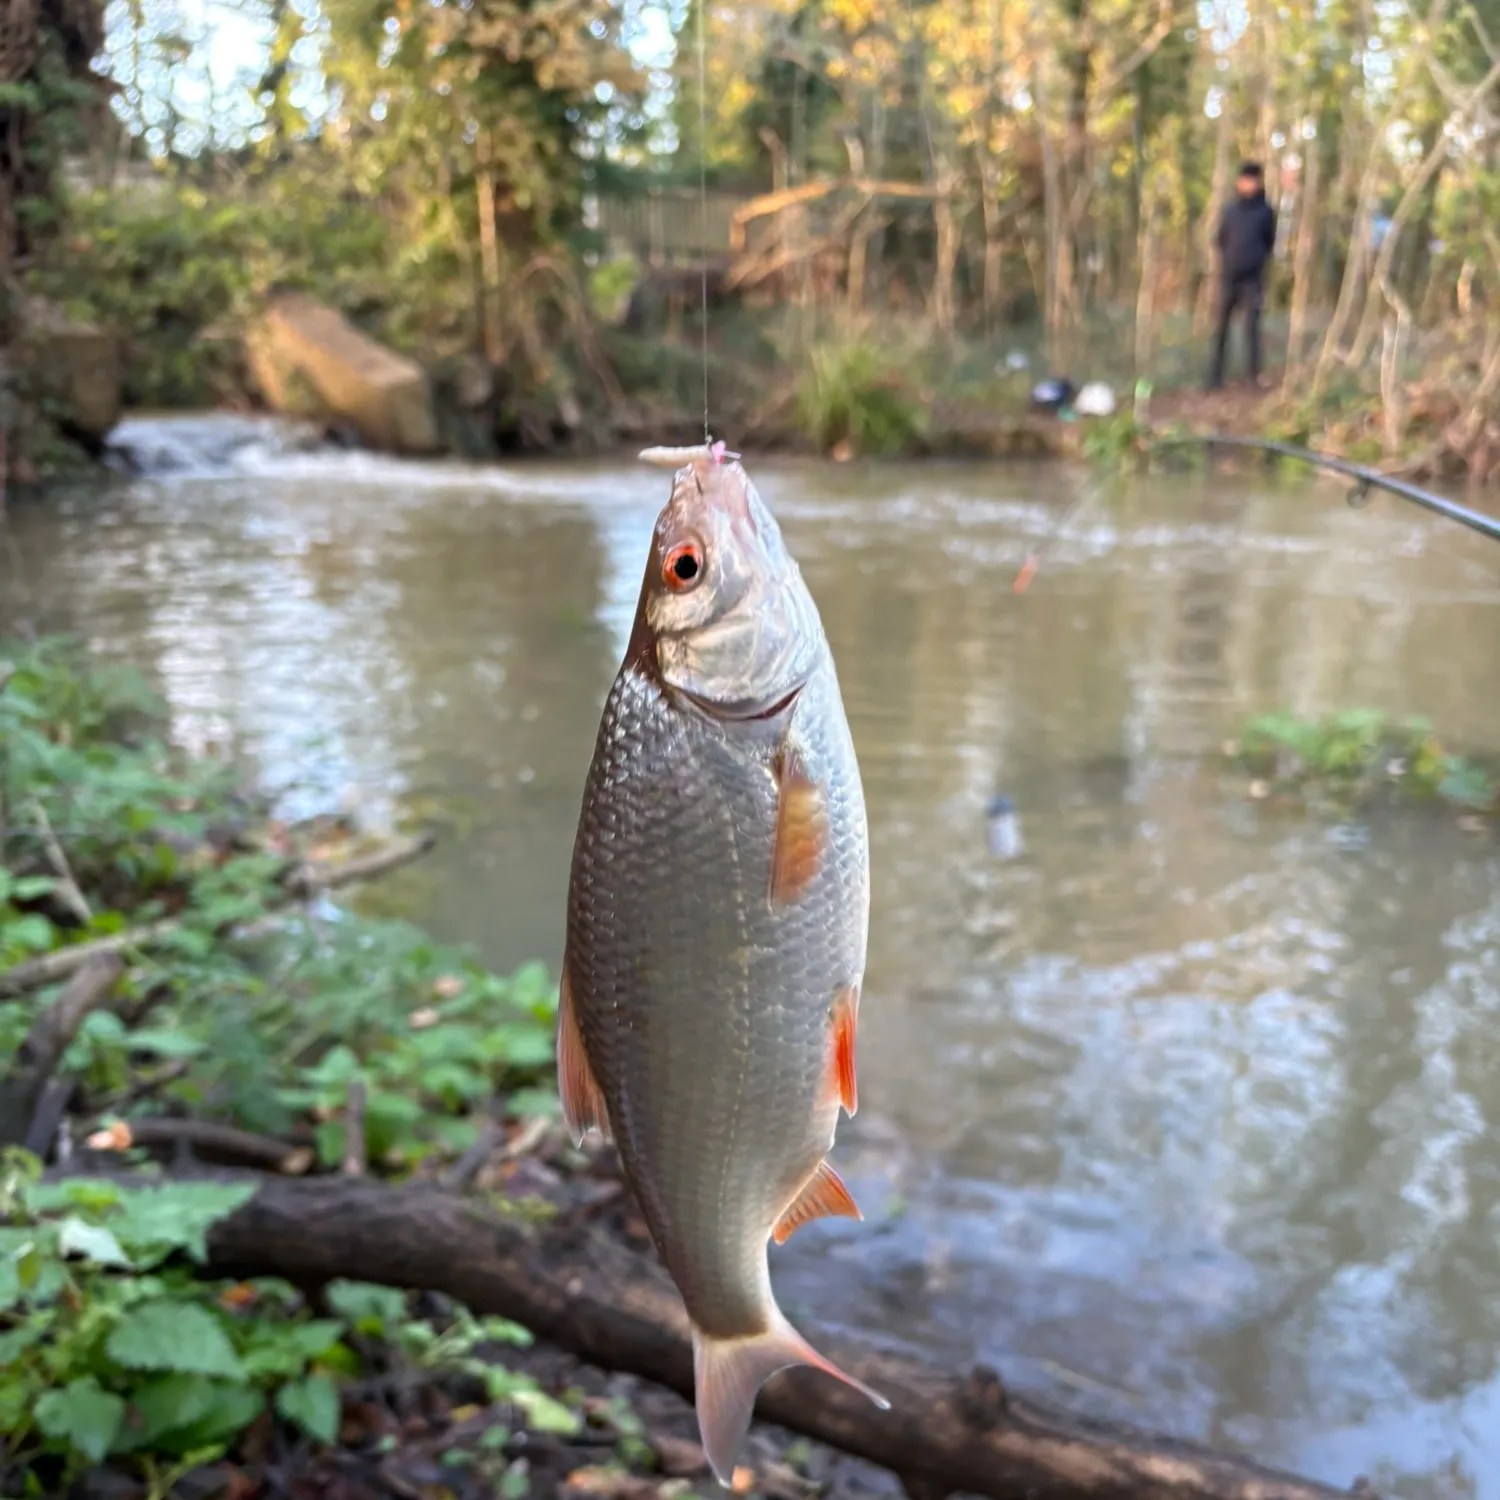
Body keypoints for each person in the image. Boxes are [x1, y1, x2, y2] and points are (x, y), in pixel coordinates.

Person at [1208, 162, 1276, 389]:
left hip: (1253, 279)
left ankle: (1253, 377)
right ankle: (1215, 376)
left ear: (1258, 182)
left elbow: (1269, 243)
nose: (1246, 184)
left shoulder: (1265, 212)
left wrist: (1256, 261)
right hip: (1229, 277)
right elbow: (1220, 239)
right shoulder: (1230, 210)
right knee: (1221, 328)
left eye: (1251, 180)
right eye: (1243, 179)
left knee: (1251, 328)